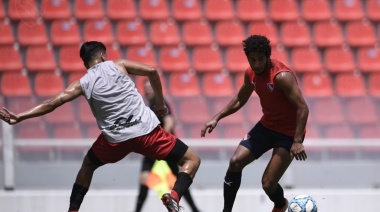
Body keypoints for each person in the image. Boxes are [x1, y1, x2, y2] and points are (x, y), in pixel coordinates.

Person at [0, 41, 201, 212]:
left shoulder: (83, 83)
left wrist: (20, 116)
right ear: (103, 56)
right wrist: (160, 104)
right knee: (191, 159)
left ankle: (72, 210)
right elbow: (152, 71)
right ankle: (174, 195)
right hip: (147, 132)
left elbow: (52, 103)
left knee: (88, 166)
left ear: (85, 63)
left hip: (115, 141)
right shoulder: (119, 65)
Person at [201, 35, 309, 212]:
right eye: (252, 60)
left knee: (267, 184)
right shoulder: (250, 73)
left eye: (260, 59)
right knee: (235, 162)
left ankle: (281, 205)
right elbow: (240, 99)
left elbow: (303, 108)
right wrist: (217, 117)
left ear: (268, 57)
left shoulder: (281, 77)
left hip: (288, 134)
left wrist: (297, 141)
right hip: (267, 126)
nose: (256, 64)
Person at [133, 80, 201, 212]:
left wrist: (161, 140)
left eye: (150, 88)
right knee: (148, 179)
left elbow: (170, 122)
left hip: (163, 147)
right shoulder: (147, 106)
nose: (147, 91)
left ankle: (194, 209)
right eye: (145, 88)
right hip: (154, 148)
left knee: (177, 179)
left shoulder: (159, 104)